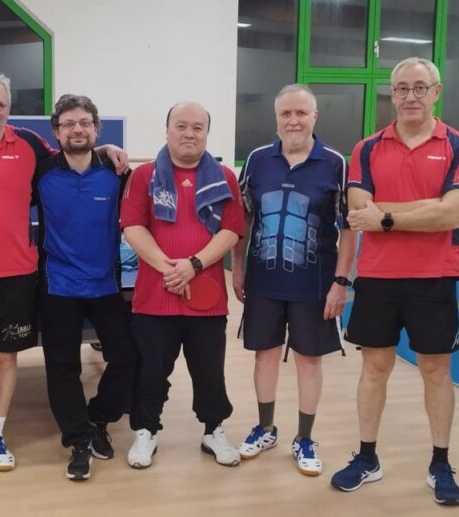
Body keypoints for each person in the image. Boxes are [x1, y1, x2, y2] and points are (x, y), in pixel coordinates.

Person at [0, 68, 128, 483]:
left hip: (18, 276)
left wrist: (106, 148)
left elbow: (76, 153)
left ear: (9, 108)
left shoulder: (31, 148)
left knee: (6, 359)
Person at [333, 57, 459, 506]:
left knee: (436, 371)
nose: (410, 96)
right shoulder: (367, 148)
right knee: (374, 368)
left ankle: (440, 463)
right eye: (401, 88)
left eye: (419, 87)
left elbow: (452, 214)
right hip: (377, 277)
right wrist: (426, 207)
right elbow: (360, 212)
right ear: (391, 94)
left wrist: (388, 216)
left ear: (436, 92)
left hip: (434, 277)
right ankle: (367, 458)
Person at [231, 84, 357, 476]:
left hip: (314, 284)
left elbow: (349, 228)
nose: (294, 120)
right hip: (263, 281)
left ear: (314, 117)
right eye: (286, 113)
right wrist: (237, 267)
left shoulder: (335, 163)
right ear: (276, 119)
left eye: (301, 113)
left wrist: (341, 282)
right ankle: (265, 428)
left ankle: (305, 438)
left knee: (308, 359)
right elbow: (243, 217)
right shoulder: (257, 160)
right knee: (264, 355)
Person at [121, 101, 245, 469]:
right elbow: (132, 227)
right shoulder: (143, 176)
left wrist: (194, 265)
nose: (189, 133)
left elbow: (231, 230)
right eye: (181, 126)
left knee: (209, 371)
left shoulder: (225, 177)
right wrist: (170, 270)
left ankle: (213, 430)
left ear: (206, 133)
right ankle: (146, 430)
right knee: (151, 372)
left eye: (197, 127)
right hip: (154, 297)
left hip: (207, 299)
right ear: (167, 130)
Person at [32, 94, 138, 481]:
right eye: (69, 124)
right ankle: (78, 439)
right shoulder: (40, 173)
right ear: (56, 131)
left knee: (127, 356)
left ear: (96, 129)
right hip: (58, 284)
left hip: (104, 283)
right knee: (63, 366)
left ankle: (97, 419)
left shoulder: (117, 172)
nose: (77, 130)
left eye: (85, 123)